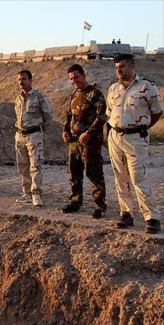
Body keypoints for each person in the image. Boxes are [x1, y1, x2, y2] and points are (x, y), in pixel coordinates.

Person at [107, 54, 163, 234]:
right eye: (117, 67)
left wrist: (141, 128)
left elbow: (156, 112)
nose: (119, 70)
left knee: (138, 178)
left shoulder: (147, 86)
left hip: (136, 139)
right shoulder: (113, 89)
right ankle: (126, 214)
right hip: (115, 137)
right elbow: (110, 113)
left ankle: (152, 217)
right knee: (120, 178)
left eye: (122, 66)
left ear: (132, 67)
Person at [61, 64, 108, 218]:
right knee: (74, 173)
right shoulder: (74, 94)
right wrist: (65, 131)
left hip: (90, 142)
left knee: (94, 173)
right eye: (72, 79)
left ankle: (100, 206)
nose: (74, 81)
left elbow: (101, 116)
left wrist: (88, 133)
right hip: (74, 142)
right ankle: (75, 201)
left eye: (76, 77)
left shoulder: (95, 94)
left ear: (83, 75)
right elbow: (69, 115)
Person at [13, 69, 53, 207]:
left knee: (35, 165)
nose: (21, 82)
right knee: (22, 166)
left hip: (34, 135)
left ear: (30, 80)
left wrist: (39, 131)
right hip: (20, 135)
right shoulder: (18, 98)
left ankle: (36, 194)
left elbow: (48, 116)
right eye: (19, 79)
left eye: (23, 79)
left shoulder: (39, 97)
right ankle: (27, 193)